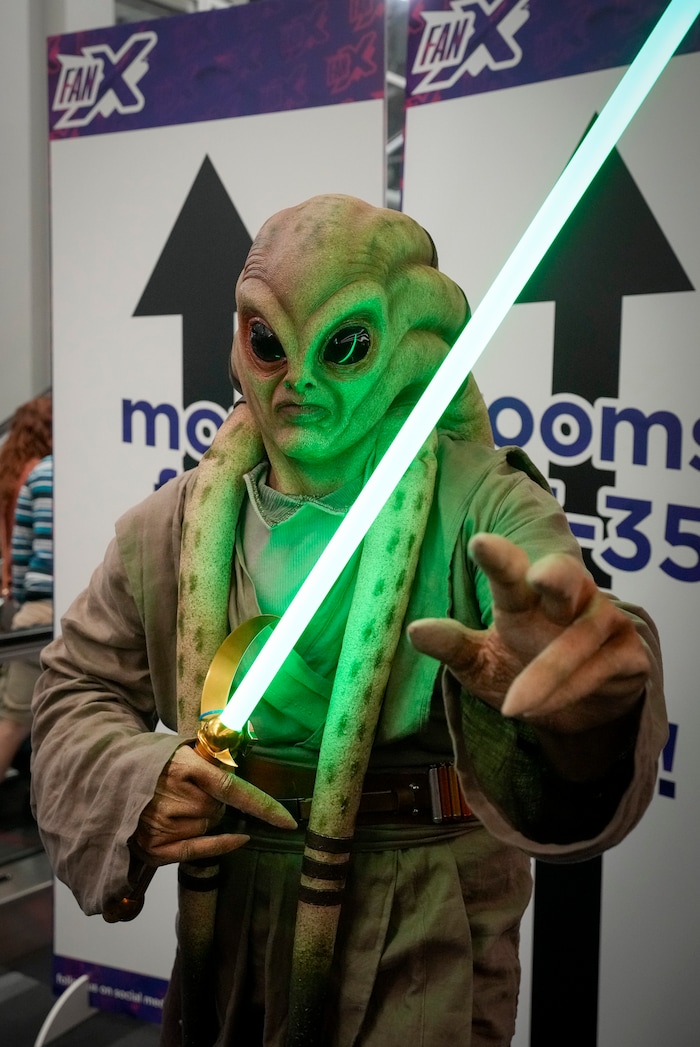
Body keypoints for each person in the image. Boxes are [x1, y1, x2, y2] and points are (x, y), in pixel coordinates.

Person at [31, 196, 665, 1047]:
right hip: (229, 916)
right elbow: (76, 683)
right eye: (268, 344)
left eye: (343, 347)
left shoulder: (481, 503)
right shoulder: (178, 523)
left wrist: (576, 706)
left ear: (409, 336)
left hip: (422, 918)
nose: (298, 384)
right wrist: (139, 781)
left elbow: (565, 619)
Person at [0, 395, 53, 783]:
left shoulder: (34, 475)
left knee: (14, 718)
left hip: (35, 609)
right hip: (79, 607)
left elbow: (18, 551)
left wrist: (21, 604)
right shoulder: (82, 472)